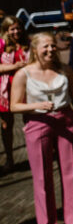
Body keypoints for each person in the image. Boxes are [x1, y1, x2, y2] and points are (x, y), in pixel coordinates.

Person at [9, 33, 73, 224]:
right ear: (35, 49)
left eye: (53, 46)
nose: (51, 50)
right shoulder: (23, 74)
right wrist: (36, 106)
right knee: (42, 177)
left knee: (70, 172)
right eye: (46, 47)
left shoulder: (65, 71)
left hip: (65, 121)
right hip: (37, 123)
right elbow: (13, 106)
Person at [0, 17, 29, 173]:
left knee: (30, 121)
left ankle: (36, 153)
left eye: (18, 28)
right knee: (6, 125)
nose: (16, 32)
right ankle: (9, 159)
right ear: (6, 30)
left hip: (26, 87)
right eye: (12, 29)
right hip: (6, 88)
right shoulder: (1, 45)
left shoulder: (29, 43)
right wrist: (13, 66)